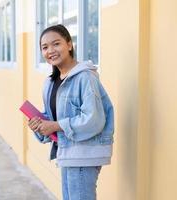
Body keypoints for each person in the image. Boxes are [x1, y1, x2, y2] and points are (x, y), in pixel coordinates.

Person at [28, 24, 114, 200]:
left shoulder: (85, 77)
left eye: (56, 44)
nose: (50, 50)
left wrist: (56, 125)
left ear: (69, 44)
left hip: (84, 153)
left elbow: (94, 119)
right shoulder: (50, 83)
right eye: (45, 47)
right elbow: (52, 120)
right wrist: (39, 125)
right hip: (66, 152)